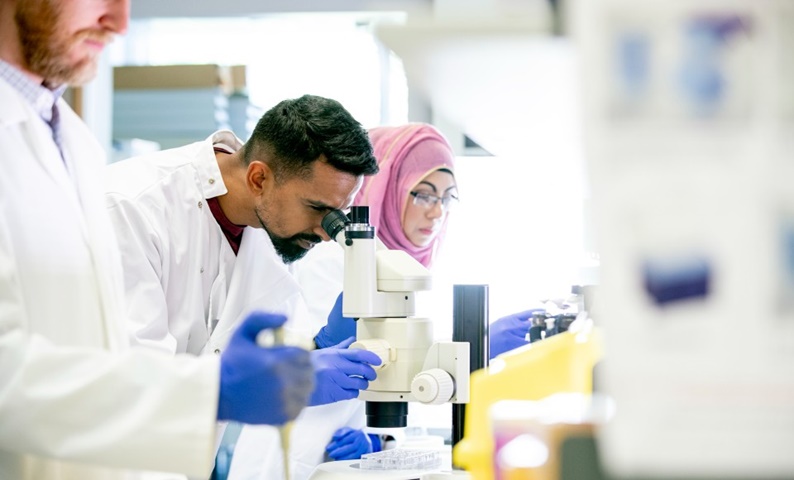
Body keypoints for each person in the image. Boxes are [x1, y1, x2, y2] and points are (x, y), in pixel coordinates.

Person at [0, 2, 316, 479]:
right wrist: (210, 392)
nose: (120, 22)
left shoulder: (73, 141)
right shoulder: (126, 190)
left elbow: (88, 358)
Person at [104, 95, 384, 475]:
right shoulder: (132, 207)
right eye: (318, 209)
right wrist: (245, 387)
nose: (326, 231)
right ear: (258, 178)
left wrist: (314, 350)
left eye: (338, 212)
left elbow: (239, 349)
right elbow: (133, 378)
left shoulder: (267, 229)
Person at [225, 123, 460, 480]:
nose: (436, 211)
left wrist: (380, 440)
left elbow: (405, 389)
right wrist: (317, 346)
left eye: (446, 197)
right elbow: (294, 372)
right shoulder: (332, 260)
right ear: (387, 187)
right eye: (423, 194)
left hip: (352, 460)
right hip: (288, 455)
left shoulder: (409, 272)